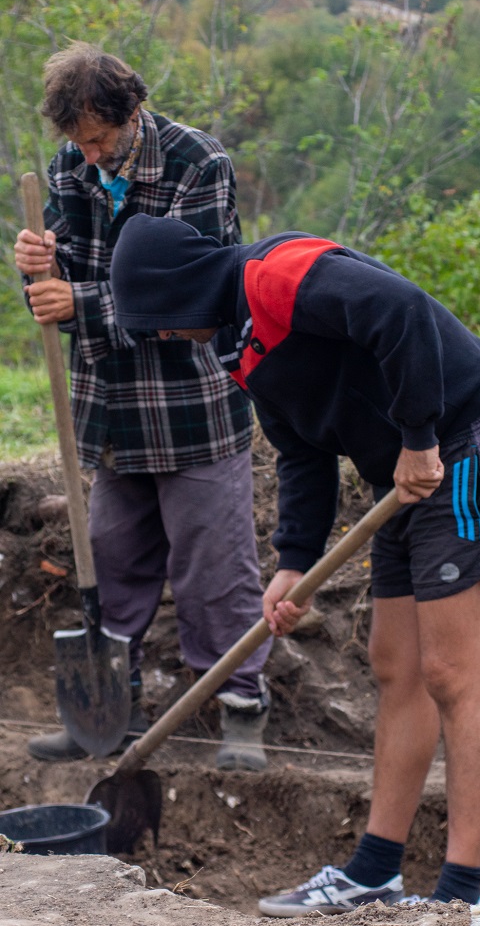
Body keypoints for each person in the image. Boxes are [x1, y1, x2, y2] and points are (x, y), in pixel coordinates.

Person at [109, 213, 480, 909]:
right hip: (403, 478)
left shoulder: (273, 275)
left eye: (155, 319)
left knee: (451, 672)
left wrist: (419, 436)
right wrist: (293, 561)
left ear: (176, 287)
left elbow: (400, 310)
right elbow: (302, 449)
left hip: (465, 448)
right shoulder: (235, 345)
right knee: (395, 665)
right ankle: (373, 870)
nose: (160, 335)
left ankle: (458, 895)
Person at [14, 43, 272, 771]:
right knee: (115, 564)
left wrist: (81, 302)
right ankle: (108, 715)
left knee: (214, 570)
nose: (89, 156)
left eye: (99, 139)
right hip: (109, 406)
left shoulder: (198, 163)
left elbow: (197, 292)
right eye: (77, 142)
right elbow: (54, 297)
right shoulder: (70, 169)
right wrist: (37, 272)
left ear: (132, 113)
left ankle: (241, 710)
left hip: (191, 401)